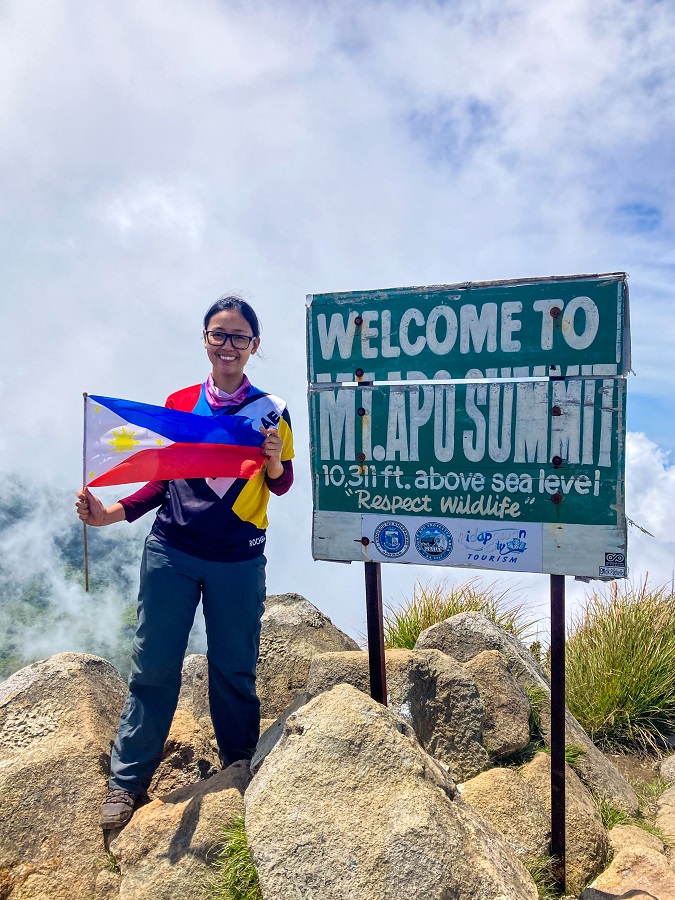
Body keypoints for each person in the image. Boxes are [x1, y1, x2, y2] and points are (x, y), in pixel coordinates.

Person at [76, 295, 293, 829]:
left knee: (234, 669)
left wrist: (271, 462)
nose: (228, 345)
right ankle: (126, 782)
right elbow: (163, 475)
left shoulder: (273, 411)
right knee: (154, 666)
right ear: (205, 339)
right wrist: (112, 513)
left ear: (254, 346)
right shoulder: (179, 401)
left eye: (239, 337)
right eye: (219, 334)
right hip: (171, 551)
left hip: (237, 559)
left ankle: (238, 766)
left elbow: (283, 482)